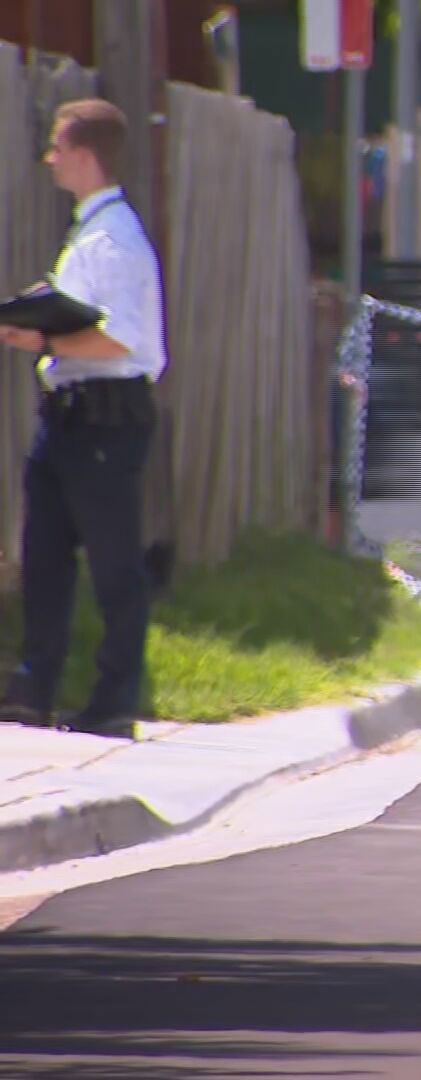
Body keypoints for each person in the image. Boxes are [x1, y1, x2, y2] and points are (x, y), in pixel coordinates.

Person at [0, 98, 168, 738]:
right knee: (43, 556)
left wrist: (42, 342)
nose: (49, 158)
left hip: (106, 417)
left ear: (85, 155)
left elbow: (125, 340)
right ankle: (33, 687)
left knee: (114, 563)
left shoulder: (115, 240)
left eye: (57, 147)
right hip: (64, 415)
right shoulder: (85, 234)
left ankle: (114, 701)